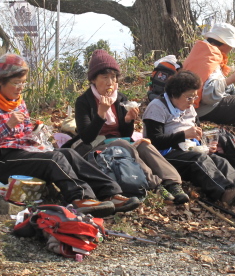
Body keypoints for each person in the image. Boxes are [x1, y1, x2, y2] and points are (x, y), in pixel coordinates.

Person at [0, 53, 141, 218]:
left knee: (69, 153)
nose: (20, 88)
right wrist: (7, 126)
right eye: (16, 83)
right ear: (0, 81)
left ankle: (111, 192)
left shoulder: (18, 103)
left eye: (23, 83)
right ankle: (80, 198)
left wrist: (35, 132)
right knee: (53, 159)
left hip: (22, 152)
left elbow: (25, 133)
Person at [69, 49, 190, 205]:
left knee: (145, 145)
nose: (109, 82)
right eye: (104, 77)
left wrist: (128, 120)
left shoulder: (119, 98)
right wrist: (101, 114)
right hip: (96, 145)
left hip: (120, 141)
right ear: (93, 79)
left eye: (113, 77)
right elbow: (86, 137)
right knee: (123, 144)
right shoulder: (84, 101)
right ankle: (156, 185)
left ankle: (173, 184)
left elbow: (126, 133)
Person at [143, 70, 235, 209]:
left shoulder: (189, 108)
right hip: (165, 155)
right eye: (189, 97)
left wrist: (205, 145)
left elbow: (196, 132)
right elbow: (155, 141)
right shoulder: (157, 107)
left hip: (188, 149)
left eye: (194, 96)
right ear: (174, 94)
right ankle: (223, 193)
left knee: (220, 161)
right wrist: (183, 135)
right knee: (199, 159)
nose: (192, 102)